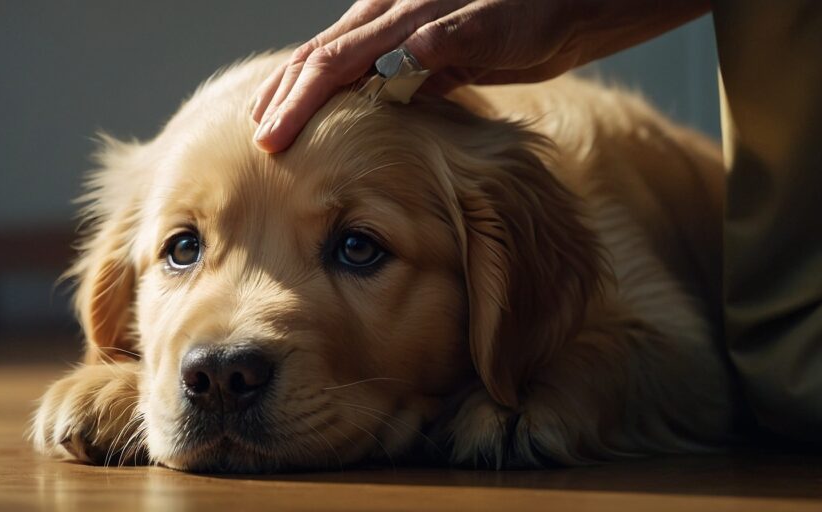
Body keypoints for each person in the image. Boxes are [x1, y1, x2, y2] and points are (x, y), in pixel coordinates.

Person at [251, 0, 822, 445]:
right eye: (184, 248)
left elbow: (690, 373)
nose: (224, 356)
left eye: (356, 245)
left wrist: (564, 381)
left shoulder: (551, 189)